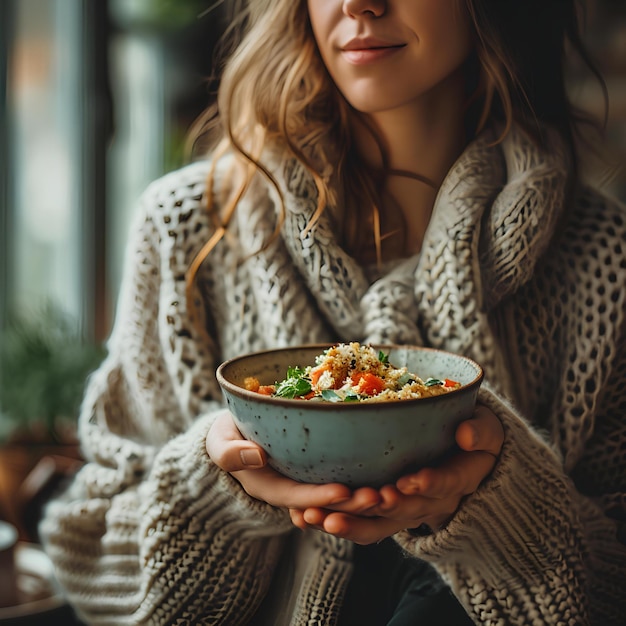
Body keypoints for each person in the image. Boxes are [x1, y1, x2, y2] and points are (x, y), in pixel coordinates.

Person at [40, 0, 626, 624]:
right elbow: (90, 550)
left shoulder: (599, 259)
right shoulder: (189, 231)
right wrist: (215, 489)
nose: (358, 4)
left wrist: (502, 507)